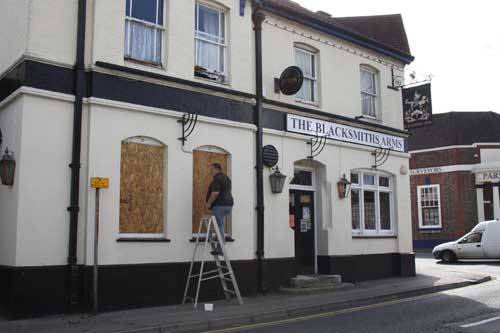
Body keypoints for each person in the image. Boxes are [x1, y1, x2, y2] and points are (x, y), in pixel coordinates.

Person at [206, 163, 234, 255]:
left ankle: (220, 249)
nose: (211, 172)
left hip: (220, 205)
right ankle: (220, 247)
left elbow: (215, 193)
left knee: (219, 228)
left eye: (212, 170)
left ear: (217, 169)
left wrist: (209, 203)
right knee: (220, 226)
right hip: (228, 205)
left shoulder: (217, 178)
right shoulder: (227, 178)